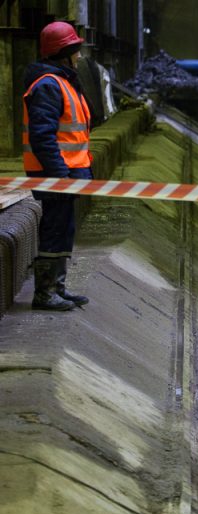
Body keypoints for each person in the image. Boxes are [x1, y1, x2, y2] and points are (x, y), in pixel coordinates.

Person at [22, 21, 92, 311]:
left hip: (67, 174)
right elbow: (43, 136)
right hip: (57, 175)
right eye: (75, 50)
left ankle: (57, 288)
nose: (79, 56)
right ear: (63, 52)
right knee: (53, 230)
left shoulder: (61, 81)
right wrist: (59, 175)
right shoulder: (49, 85)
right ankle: (44, 293)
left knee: (63, 230)